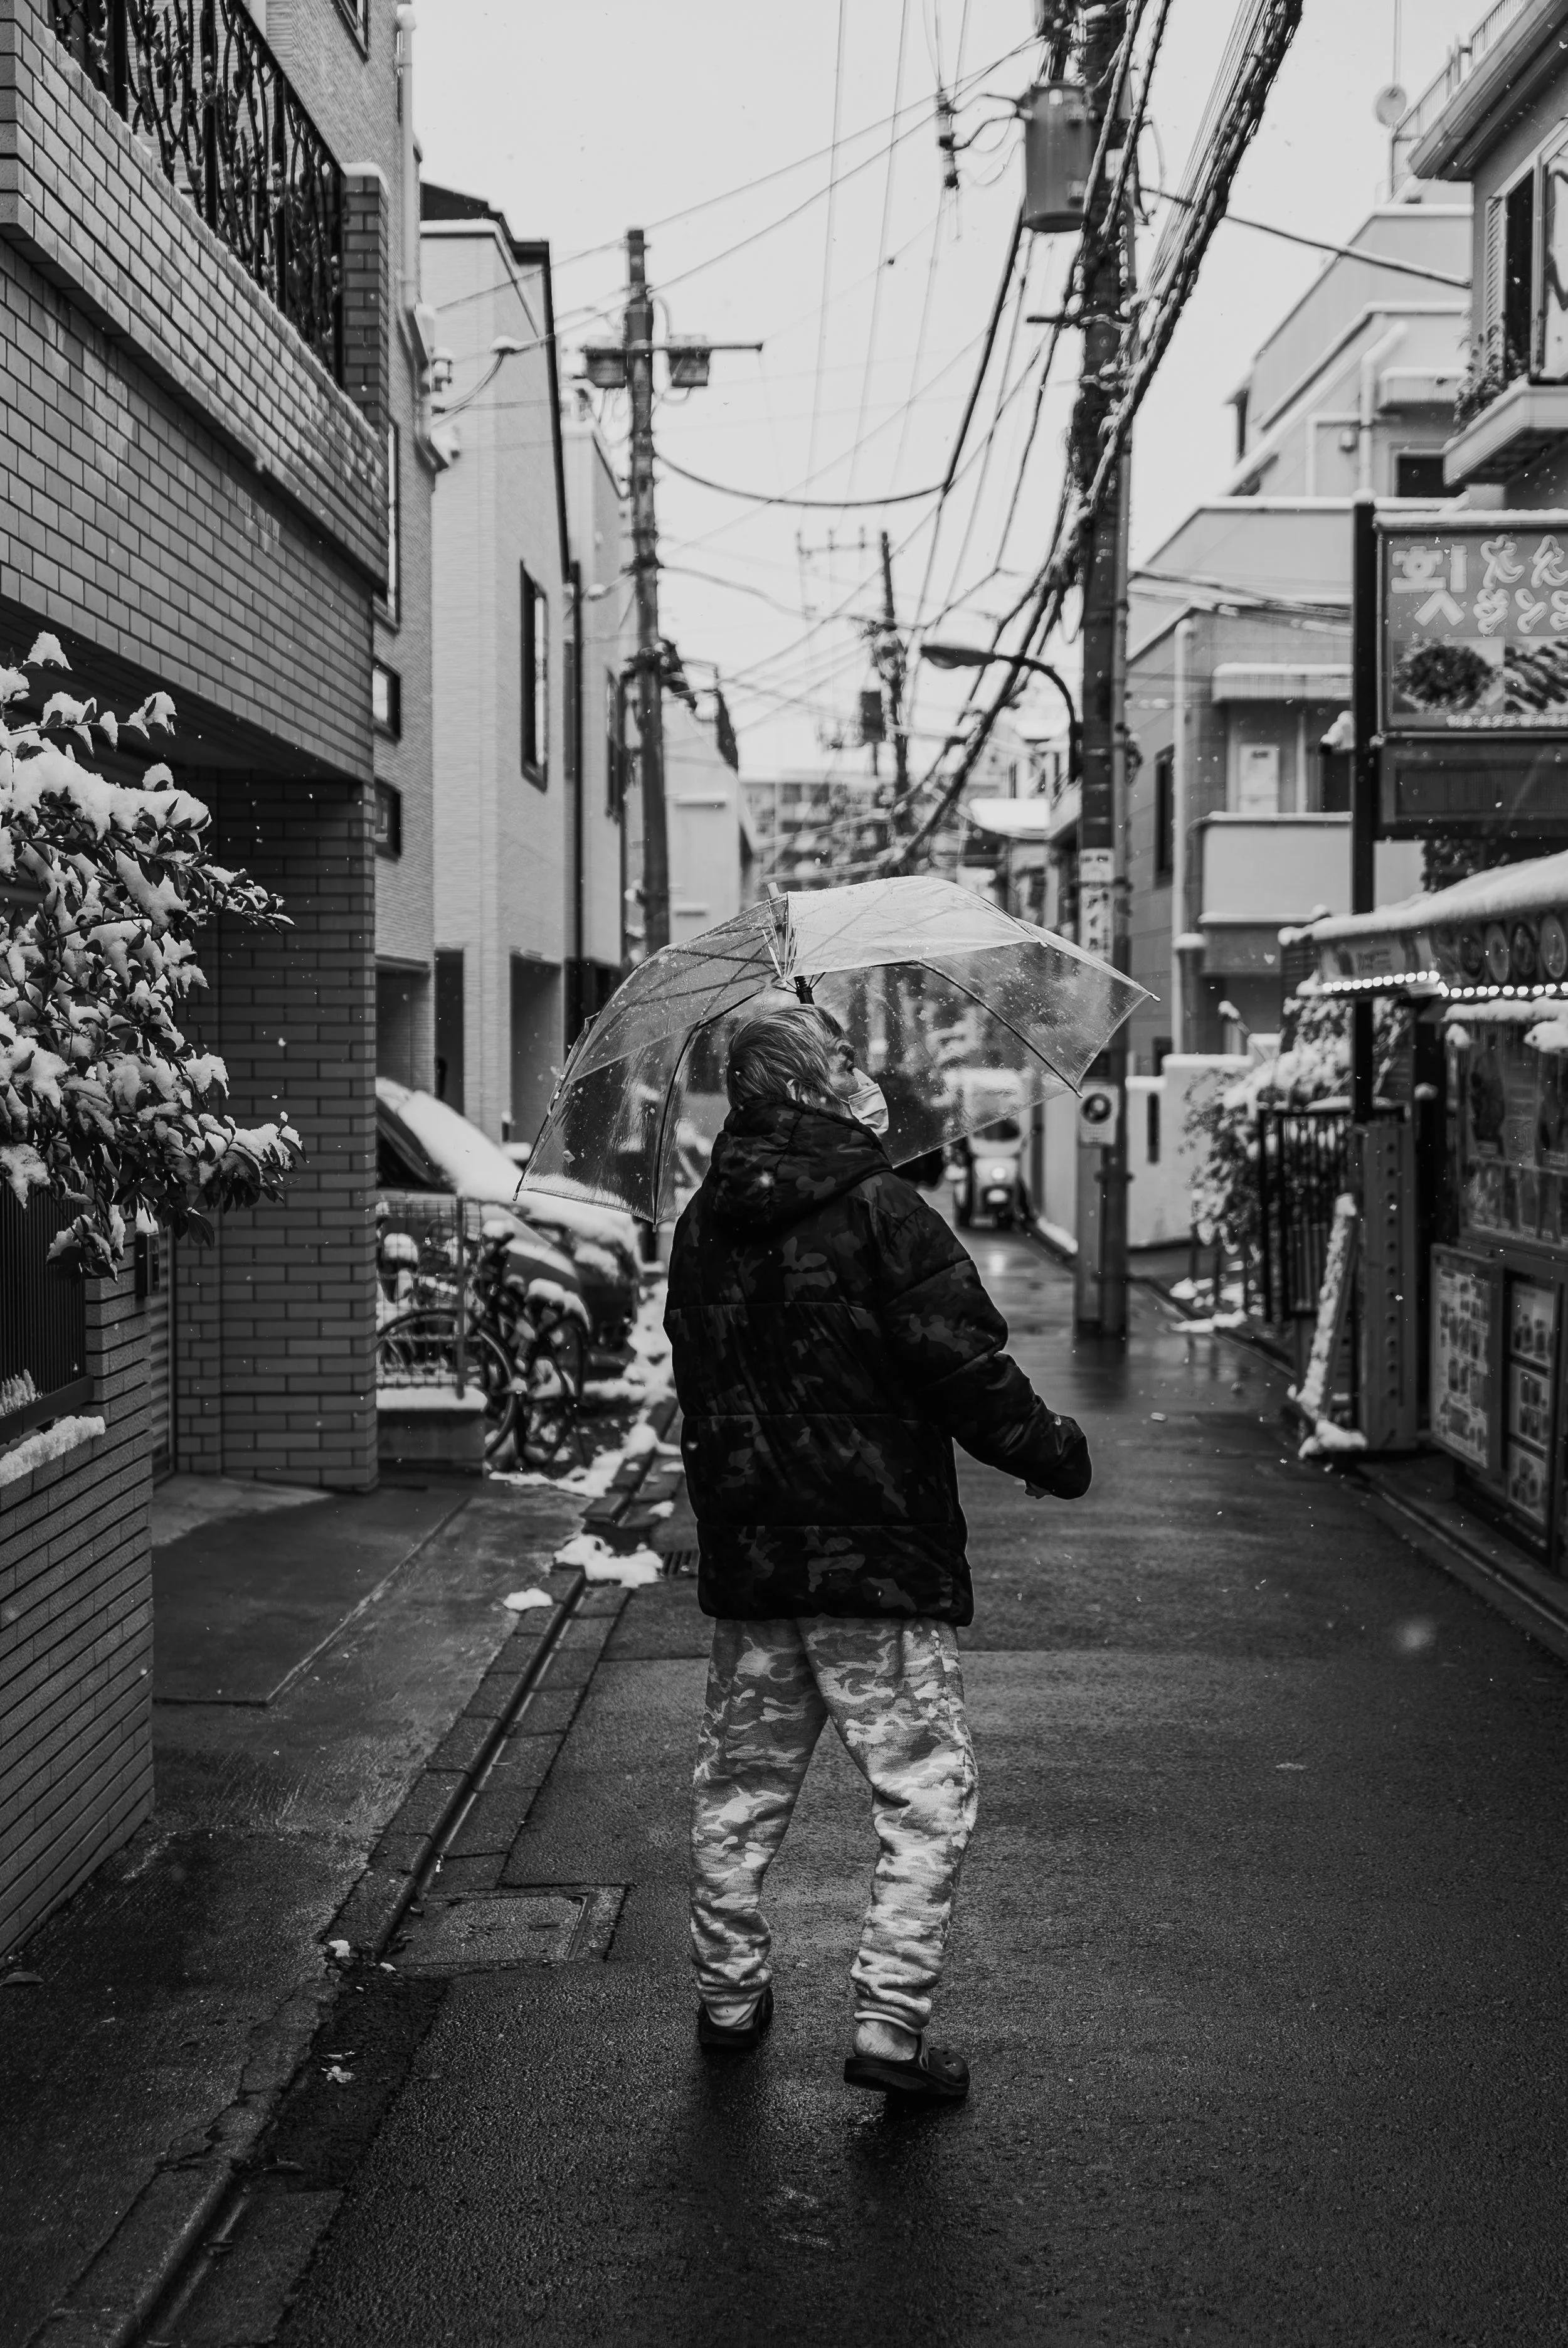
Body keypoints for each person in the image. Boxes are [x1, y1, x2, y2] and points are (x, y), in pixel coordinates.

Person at [664, 1001, 1091, 2103]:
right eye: (845, 1059)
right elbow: (965, 1367)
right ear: (812, 1084)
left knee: (739, 1788)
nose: (865, 1077)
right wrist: (1050, 1452)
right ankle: (890, 2026)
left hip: (757, 1565)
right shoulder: (880, 1211)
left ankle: (727, 1999)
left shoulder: (704, 1222)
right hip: (876, 1567)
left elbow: (703, 1383)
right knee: (925, 1793)